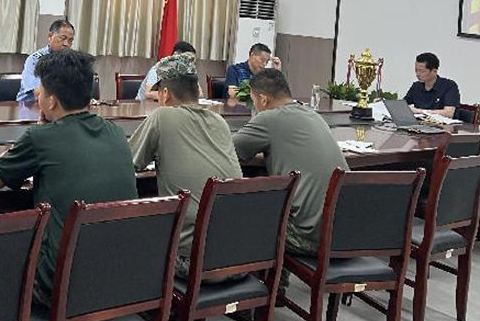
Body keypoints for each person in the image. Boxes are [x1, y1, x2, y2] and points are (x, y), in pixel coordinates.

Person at [0, 49, 137, 305]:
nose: (37, 94)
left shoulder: (40, 138)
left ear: (52, 101)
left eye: (40, 90)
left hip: (59, 285)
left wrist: (33, 135)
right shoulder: (116, 133)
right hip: (118, 276)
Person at [128, 52, 242, 279]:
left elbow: (128, 163)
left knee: (130, 233)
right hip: (241, 257)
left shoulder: (162, 117)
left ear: (165, 94)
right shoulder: (219, 121)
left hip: (194, 264)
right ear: (197, 91)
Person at [232, 69, 348, 267]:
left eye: (254, 100)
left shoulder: (268, 119)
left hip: (310, 238)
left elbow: (229, 149)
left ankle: (271, 284)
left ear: (263, 99)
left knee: (247, 217)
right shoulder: (312, 114)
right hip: (348, 235)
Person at [16, 19, 75, 102]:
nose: (66, 44)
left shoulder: (71, 60)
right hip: (29, 105)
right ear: (50, 36)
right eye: (62, 38)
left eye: (70, 41)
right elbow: (38, 92)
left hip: (58, 105)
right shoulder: (35, 59)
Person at [404, 52, 460, 118]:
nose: (418, 74)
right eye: (416, 70)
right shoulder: (416, 86)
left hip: (442, 124)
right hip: (420, 123)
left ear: (434, 71)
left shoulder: (449, 86)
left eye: (422, 71)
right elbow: (402, 106)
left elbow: (449, 113)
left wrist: (420, 111)